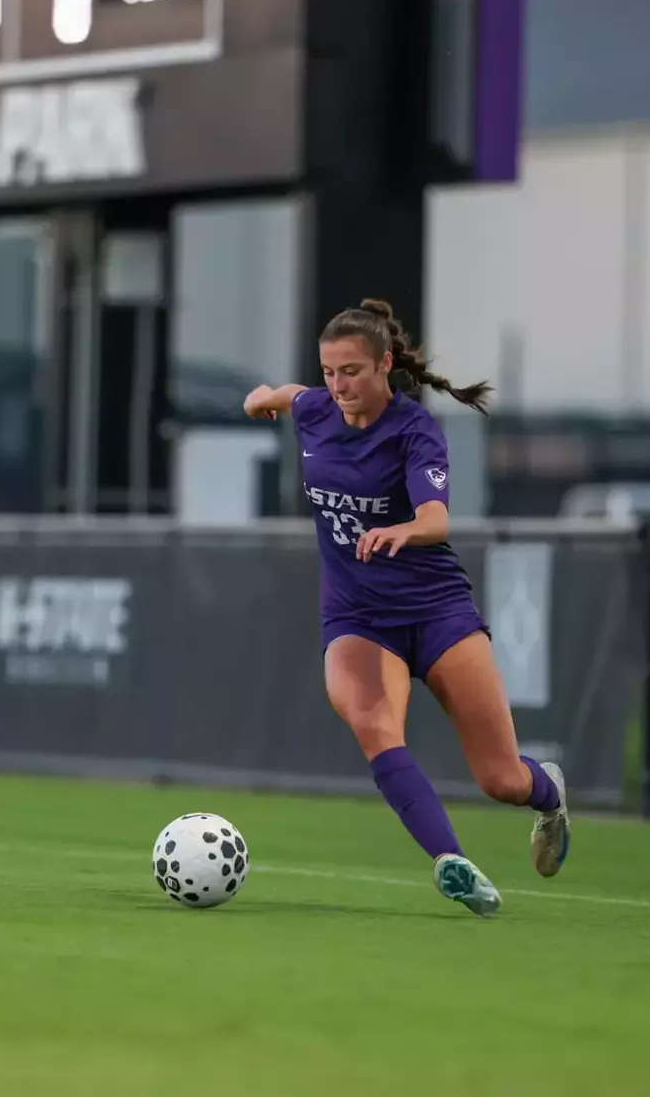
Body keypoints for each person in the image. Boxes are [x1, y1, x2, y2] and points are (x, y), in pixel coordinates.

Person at [241, 298, 569, 917]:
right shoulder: (315, 409)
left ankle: (548, 792)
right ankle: (452, 863)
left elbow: (437, 519)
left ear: (385, 364)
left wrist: (404, 532)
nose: (338, 385)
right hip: (358, 618)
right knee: (372, 721)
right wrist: (263, 396)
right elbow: (292, 395)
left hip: (436, 610)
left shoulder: (414, 428)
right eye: (329, 371)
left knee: (502, 779)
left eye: (352, 372)